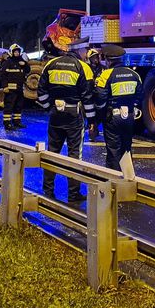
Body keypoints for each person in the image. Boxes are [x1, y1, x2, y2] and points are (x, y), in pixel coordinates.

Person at [36, 40, 95, 202]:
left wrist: (50, 108)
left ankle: (48, 190)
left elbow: (40, 91)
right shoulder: (83, 68)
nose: (87, 53)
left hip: (55, 115)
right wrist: (92, 120)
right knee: (74, 155)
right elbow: (88, 97)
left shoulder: (51, 64)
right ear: (79, 50)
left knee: (51, 153)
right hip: (74, 117)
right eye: (85, 50)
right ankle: (73, 193)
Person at [92, 48, 142, 171]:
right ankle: (128, 179)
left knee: (113, 152)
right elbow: (140, 96)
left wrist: (97, 121)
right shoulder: (134, 75)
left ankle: (114, 184)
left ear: (108, 61)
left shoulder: (106, 75)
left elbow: (100, 100)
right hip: (129, 116)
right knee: (127, 150)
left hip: (112, 118)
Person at [0, 43, 30, 131]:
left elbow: (28, 70)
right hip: (10, 89)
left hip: (19, 88)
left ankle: (17, 122)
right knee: (9, 106)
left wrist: (25, 64)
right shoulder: (8, 62)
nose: (17, 53)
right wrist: (5, 86)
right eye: (15, 52)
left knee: (18, 106)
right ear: (11, 52)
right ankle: (7, 124)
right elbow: (2, 75)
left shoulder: (21, 62)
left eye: (18, 52)